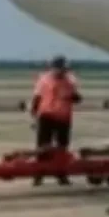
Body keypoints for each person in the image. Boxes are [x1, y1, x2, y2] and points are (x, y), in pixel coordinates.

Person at [30, 55, 82, 186]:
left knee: (62, 147)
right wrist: (34, 114)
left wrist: (72, 96)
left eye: (65, 69)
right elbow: (37, 97)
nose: (63, 72)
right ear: (54, 68)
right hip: (46, 116)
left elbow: (77, 97)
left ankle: (61, 174)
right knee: (43, 147)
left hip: (63, 117)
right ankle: (39, 174)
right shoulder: (44, 79)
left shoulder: (70, 80)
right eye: (61, 69)